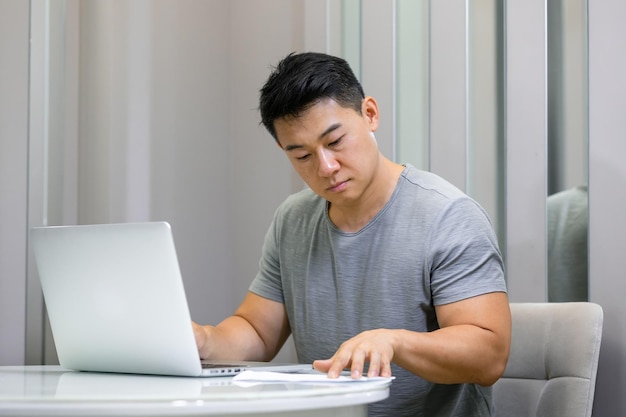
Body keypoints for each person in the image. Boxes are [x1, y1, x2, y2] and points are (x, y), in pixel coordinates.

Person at [193, 52, 511, 416]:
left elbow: (489, 356)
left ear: (370, 114)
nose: (326, 167)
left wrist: (395, 342)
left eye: (335, 142)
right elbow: (257, 332)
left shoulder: (448, 216)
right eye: (302, 156)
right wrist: (203, 340)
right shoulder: (292, 219)